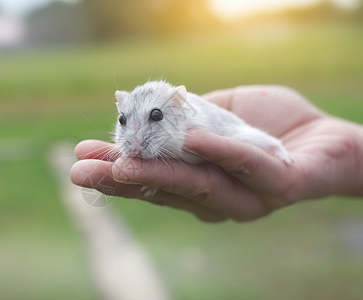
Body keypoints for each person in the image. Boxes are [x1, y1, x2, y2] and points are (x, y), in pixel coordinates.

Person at [70, 85, 363, 222]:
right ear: (120, 110)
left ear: (177, 105)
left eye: (155, 117)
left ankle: (277, 145)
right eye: (124, 121)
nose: (134, 142)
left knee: (247, 139)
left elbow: (211, 143)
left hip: (231, 128)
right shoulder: (131, 118)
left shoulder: (191, 119)